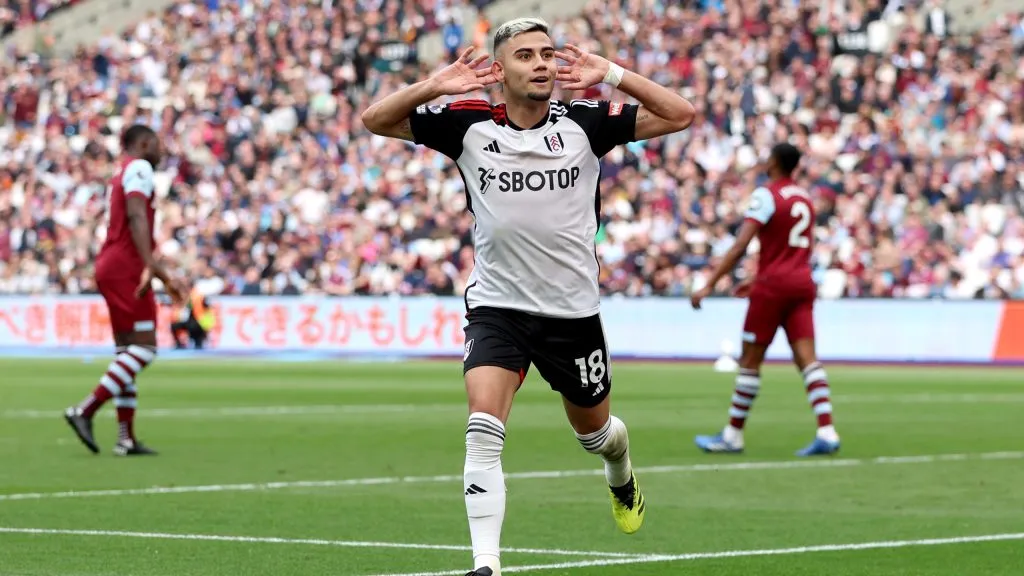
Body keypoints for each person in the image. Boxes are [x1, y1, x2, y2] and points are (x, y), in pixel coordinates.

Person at [361, 17, 695, 576]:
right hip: (498, 308)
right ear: (498, 70)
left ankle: (620, 472)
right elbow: (375, 120)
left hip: (572, 314)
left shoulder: (586, 121)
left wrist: (612, 73)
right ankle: (486, 564)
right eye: (526, 55)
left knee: (596, 436)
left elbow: (681, 114)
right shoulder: (466, 123)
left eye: (546, 54)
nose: (541, 64)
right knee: (482, 430)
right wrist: (433, 86)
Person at [690, 143, 840, 457]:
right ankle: (827, 431)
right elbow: (793, 248)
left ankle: (732, 435)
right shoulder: (804, 198)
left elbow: (740, 245)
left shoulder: (766, 195)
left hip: (772, 289)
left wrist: (708, 284)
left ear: (773, 162)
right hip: (801, 284)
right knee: (807, 359)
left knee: (750, 361)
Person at [64, 125, 184, 457]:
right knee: (144, 349)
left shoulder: (122, 173)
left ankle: (125, 438)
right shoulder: (140, 168)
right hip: (125, 267)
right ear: (143, 144)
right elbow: (136, 216)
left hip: (113, 264)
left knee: (126, 353)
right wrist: (151, 267)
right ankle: (85, 409)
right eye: (156, 144)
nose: (160, 151)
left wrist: (155, 268)